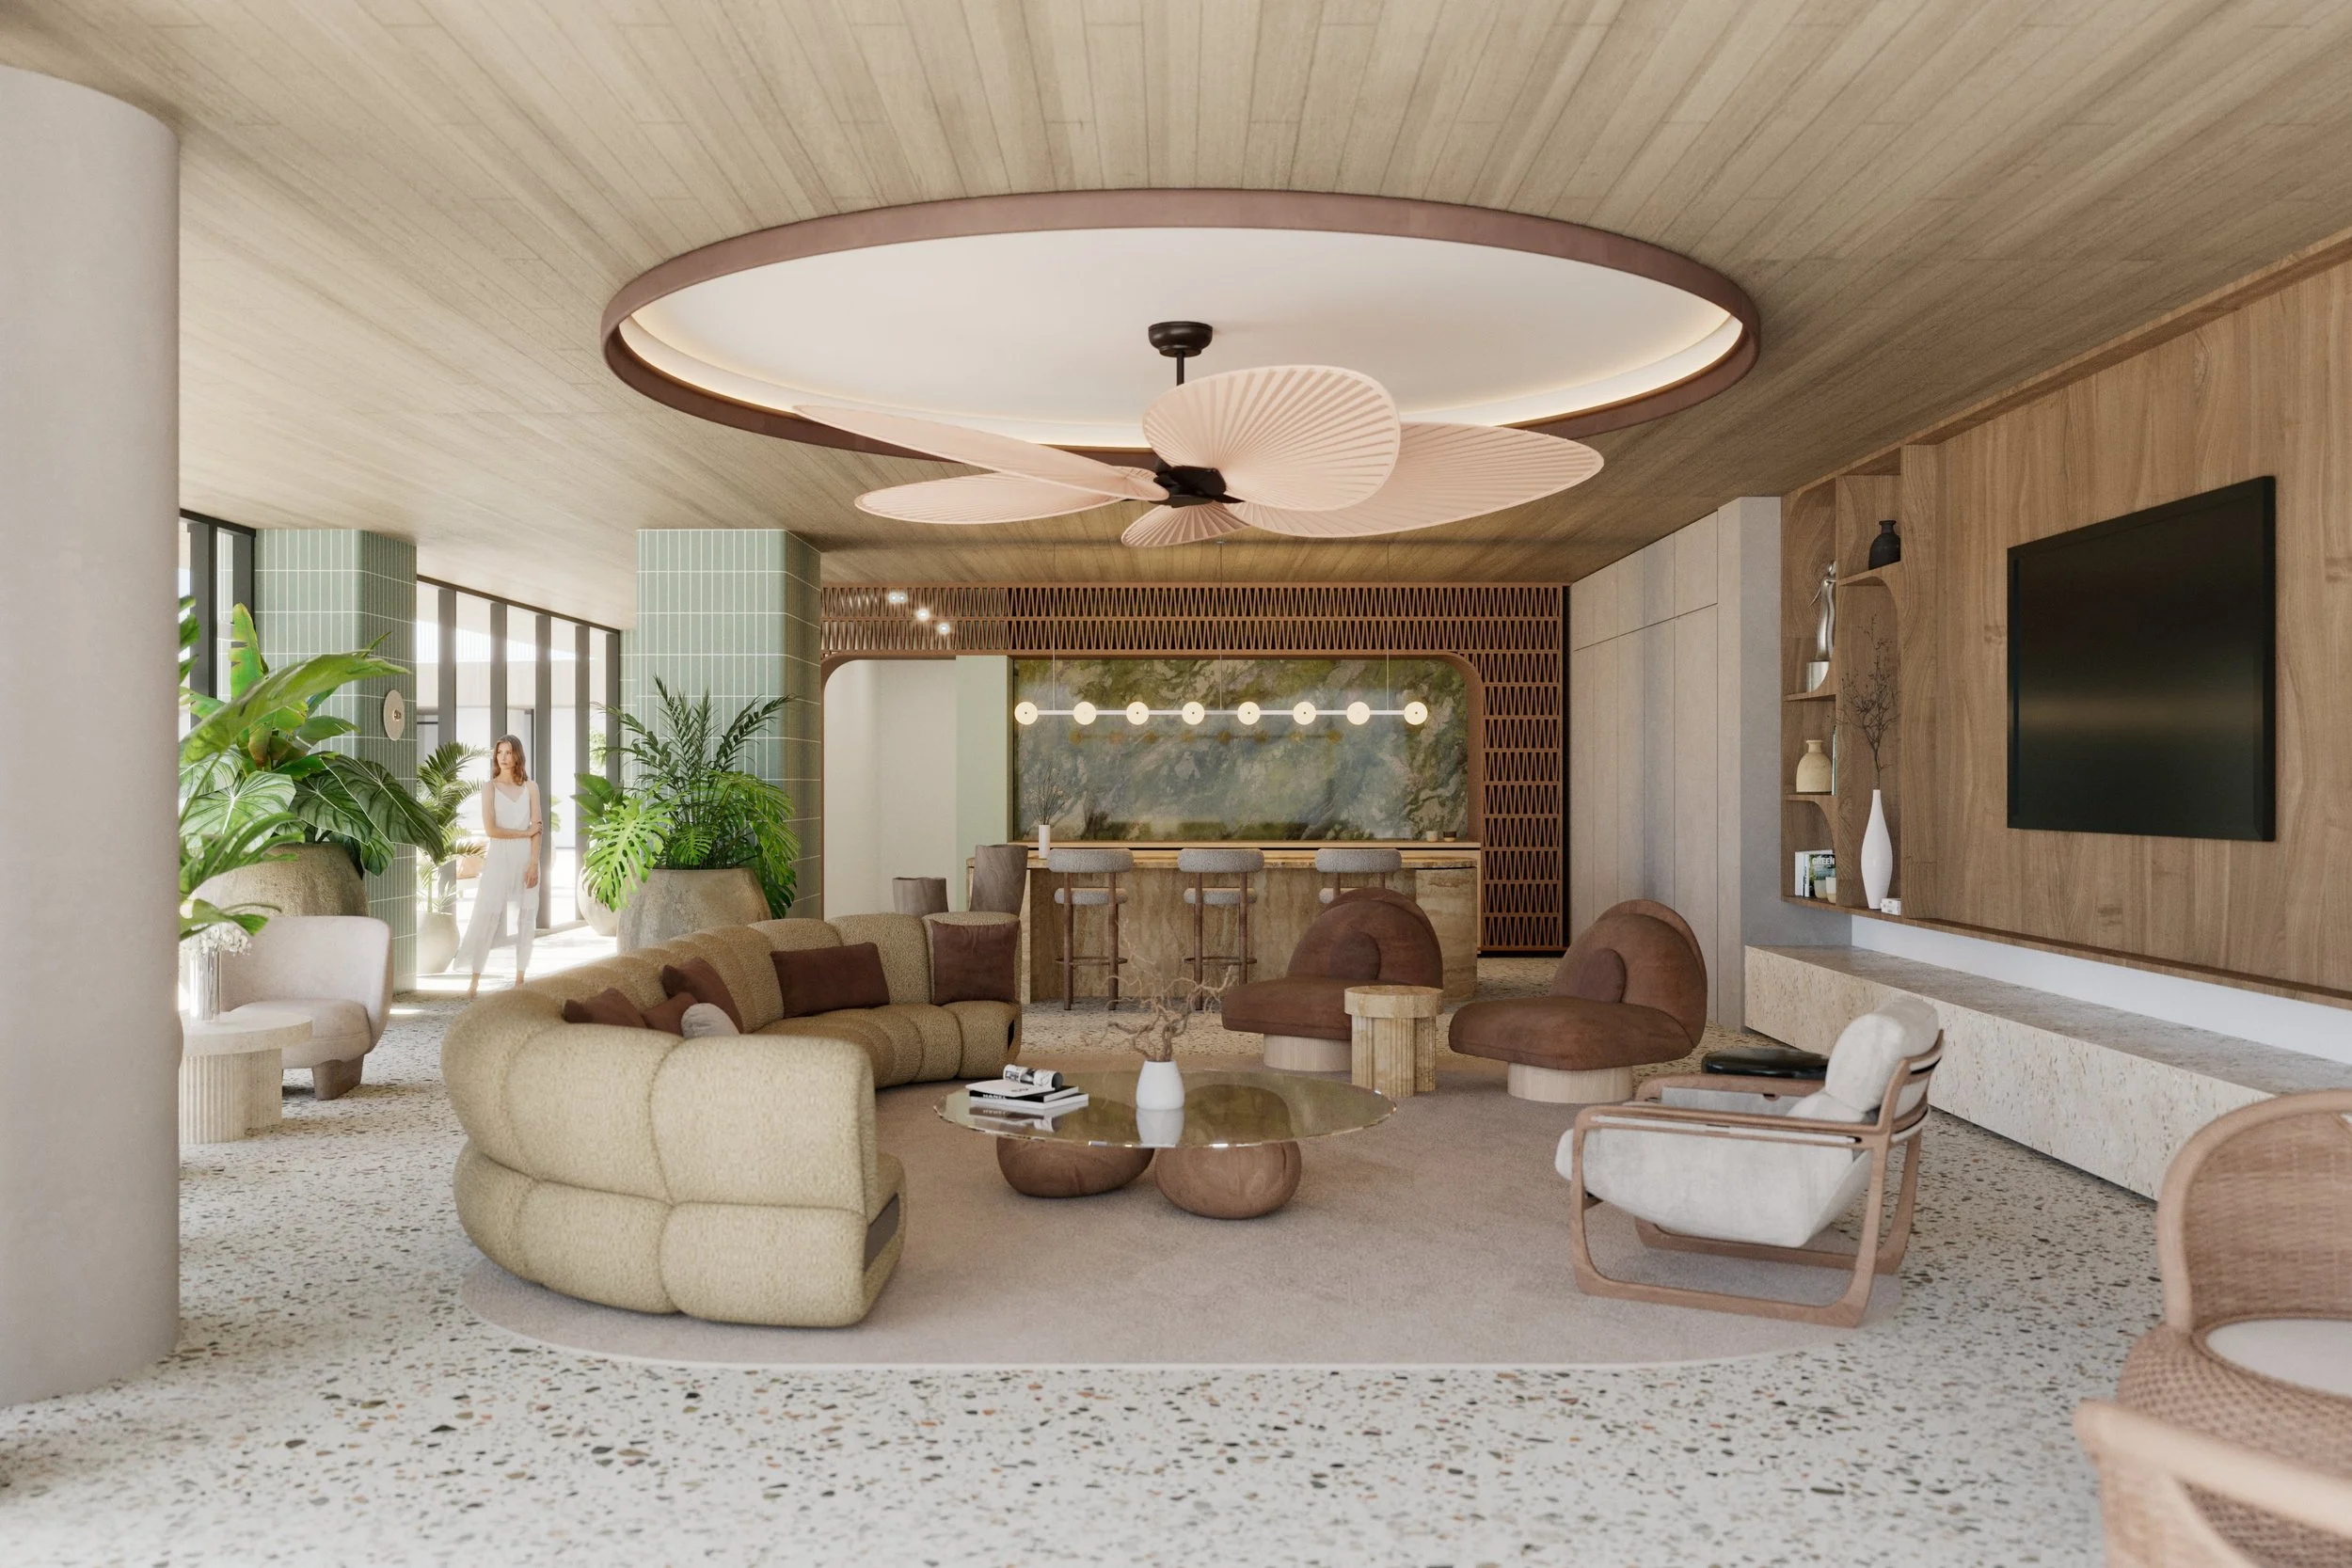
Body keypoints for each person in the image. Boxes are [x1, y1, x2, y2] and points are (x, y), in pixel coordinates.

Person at [455, 734, 542, 999]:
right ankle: (474, 979)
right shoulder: (489, 788)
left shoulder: (531, 787)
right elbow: (491, 830)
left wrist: (534, 863)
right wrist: (523, 834)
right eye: (499, 753)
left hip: (526, 857)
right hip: (499, 858)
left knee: (526, 917)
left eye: (508, 752)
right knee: (487, 913)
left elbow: (538, 828)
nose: (503, 758)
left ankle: (520, 979)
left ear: (518, 755)